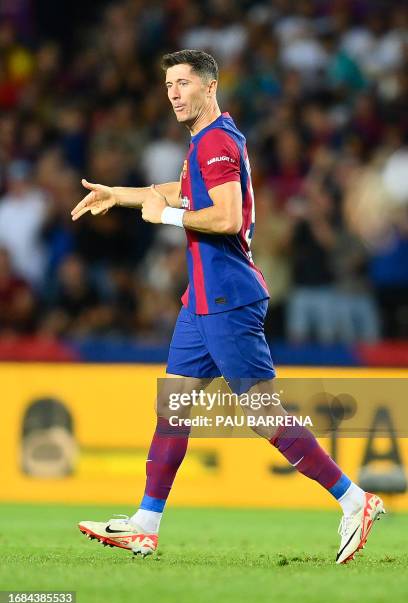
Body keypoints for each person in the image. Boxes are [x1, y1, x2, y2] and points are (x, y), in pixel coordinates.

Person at [71, 50, 385, 564]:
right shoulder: (211, 140)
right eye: (167, 84)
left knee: (263, 413)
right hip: (201, 301)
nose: (172, 92)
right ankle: (145, 524)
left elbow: (226, 217)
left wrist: (167, 219)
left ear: (209, 87)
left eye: (183, 83)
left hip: (227, 298)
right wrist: (121, 195)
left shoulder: (215, 141)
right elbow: (181, 190)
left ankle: (355, 500)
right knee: (173, 407)